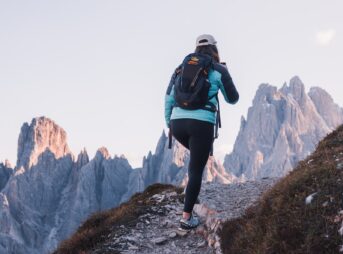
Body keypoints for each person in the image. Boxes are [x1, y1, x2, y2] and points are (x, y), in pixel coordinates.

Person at [164, 34, 239, 230]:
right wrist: (225, 74)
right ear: (215, 49)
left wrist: (169, 124)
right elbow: (233, 99)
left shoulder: (180, 68)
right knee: (196, 169)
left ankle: (192, 195)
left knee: (195, 162)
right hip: (201, 125)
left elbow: (168, 98)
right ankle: (186, 219)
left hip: (177, 124)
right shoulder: (218, 69)